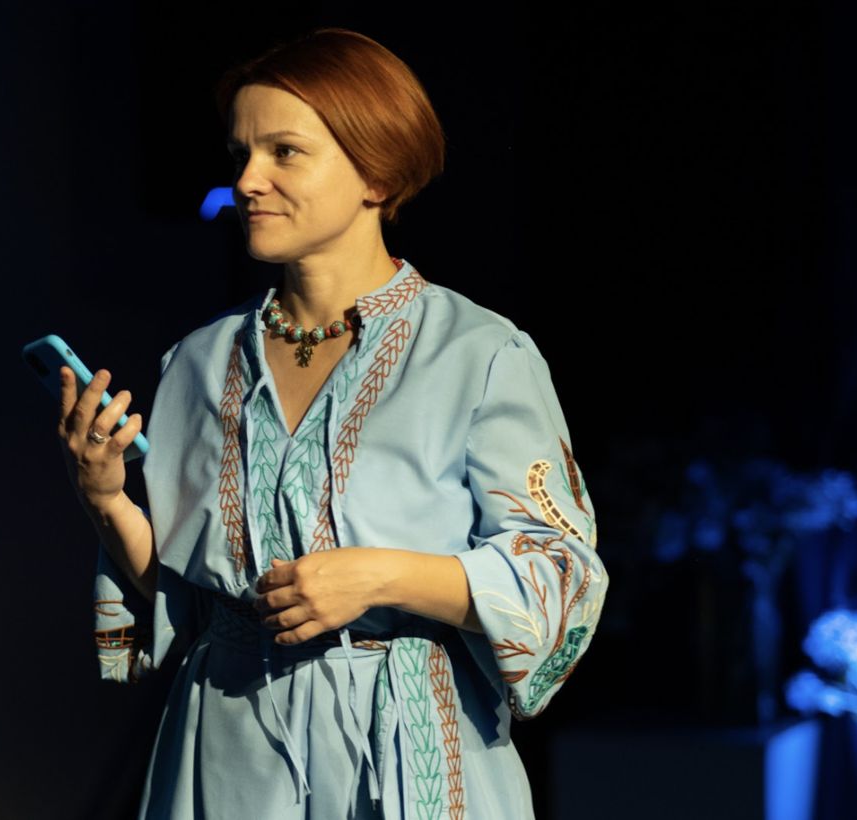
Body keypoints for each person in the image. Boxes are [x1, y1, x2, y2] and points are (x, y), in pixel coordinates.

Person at [59, 27, 610, 820]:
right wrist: (106, 498)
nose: (247, 180)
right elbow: (187, 605)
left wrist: (382, 577)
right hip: (227, 751)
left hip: (409, 753)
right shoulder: (199, 362)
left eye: (284, 152)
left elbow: (561, 575)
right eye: (241, 152)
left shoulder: (479, 353)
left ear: (375, 173)